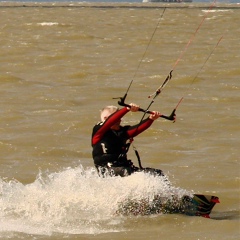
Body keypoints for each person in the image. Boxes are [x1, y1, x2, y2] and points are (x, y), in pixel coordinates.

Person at [91, 103, 166, 177]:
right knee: (125, 172)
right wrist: (127, 109)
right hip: (107, 170)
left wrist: (151, 118)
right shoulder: (98, 131)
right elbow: (110, 121)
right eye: (117, 118)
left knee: (156, 173)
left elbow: (137, 129)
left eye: (119, 118)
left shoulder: (123, 132)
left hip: (124, 166)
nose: (119, 121)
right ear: (105, 119)